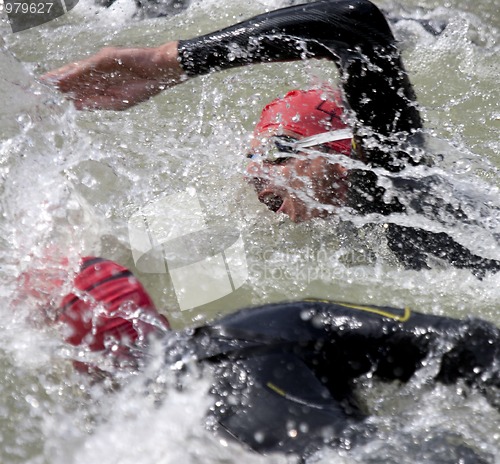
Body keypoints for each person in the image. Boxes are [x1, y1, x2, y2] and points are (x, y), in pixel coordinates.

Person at [41, 0, 500, 275]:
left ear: (342, 151)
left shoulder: (393, 173)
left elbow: (353, 22)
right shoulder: (345, 229)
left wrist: (169, 61)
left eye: (280, 150)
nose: (256, 172)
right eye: (253, 155)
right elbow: (190, 275)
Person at [49, 256, 500, 464]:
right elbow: (470, 345)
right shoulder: (266, 323)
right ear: (160, 319)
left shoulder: (120, 449)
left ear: (83, 365)